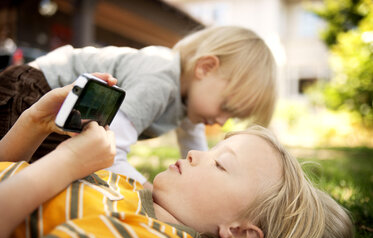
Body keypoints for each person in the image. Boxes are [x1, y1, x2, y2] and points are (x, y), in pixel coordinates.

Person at [0, 83, 353, 238]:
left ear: (242, 234)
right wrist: (33, 123)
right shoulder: (140, 196)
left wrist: (66, 163)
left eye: (220, 165)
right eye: (213, 150)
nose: (196, 155)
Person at [0, 25, 277, 187]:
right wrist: (146, 192)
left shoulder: (188, 101)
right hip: (34, 93)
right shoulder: (161, 80)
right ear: (205, 67)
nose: (221, 121)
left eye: (233, 116)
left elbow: (197, 155)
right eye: (226, 107)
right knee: (46, 178)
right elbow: (111, 153)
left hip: (58, 112)